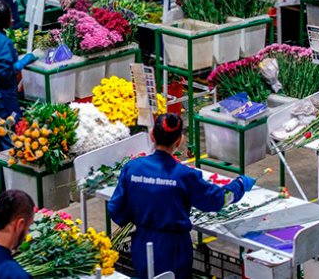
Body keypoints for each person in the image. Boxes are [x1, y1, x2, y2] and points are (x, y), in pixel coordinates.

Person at [107, 114, 255, 279]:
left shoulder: (132, 168)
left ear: (152, 136)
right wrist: (239, 185)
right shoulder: (184, 176)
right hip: (174, 249)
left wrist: (142, 221)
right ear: (179, 141)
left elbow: (115, 208)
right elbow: (218, 200)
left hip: (142, 243)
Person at [0, 1, 36, 151]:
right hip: (2, 97)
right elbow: (6, 72)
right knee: (9, 137)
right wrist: (25, 60)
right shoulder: (3, 43)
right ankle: (8, 172)